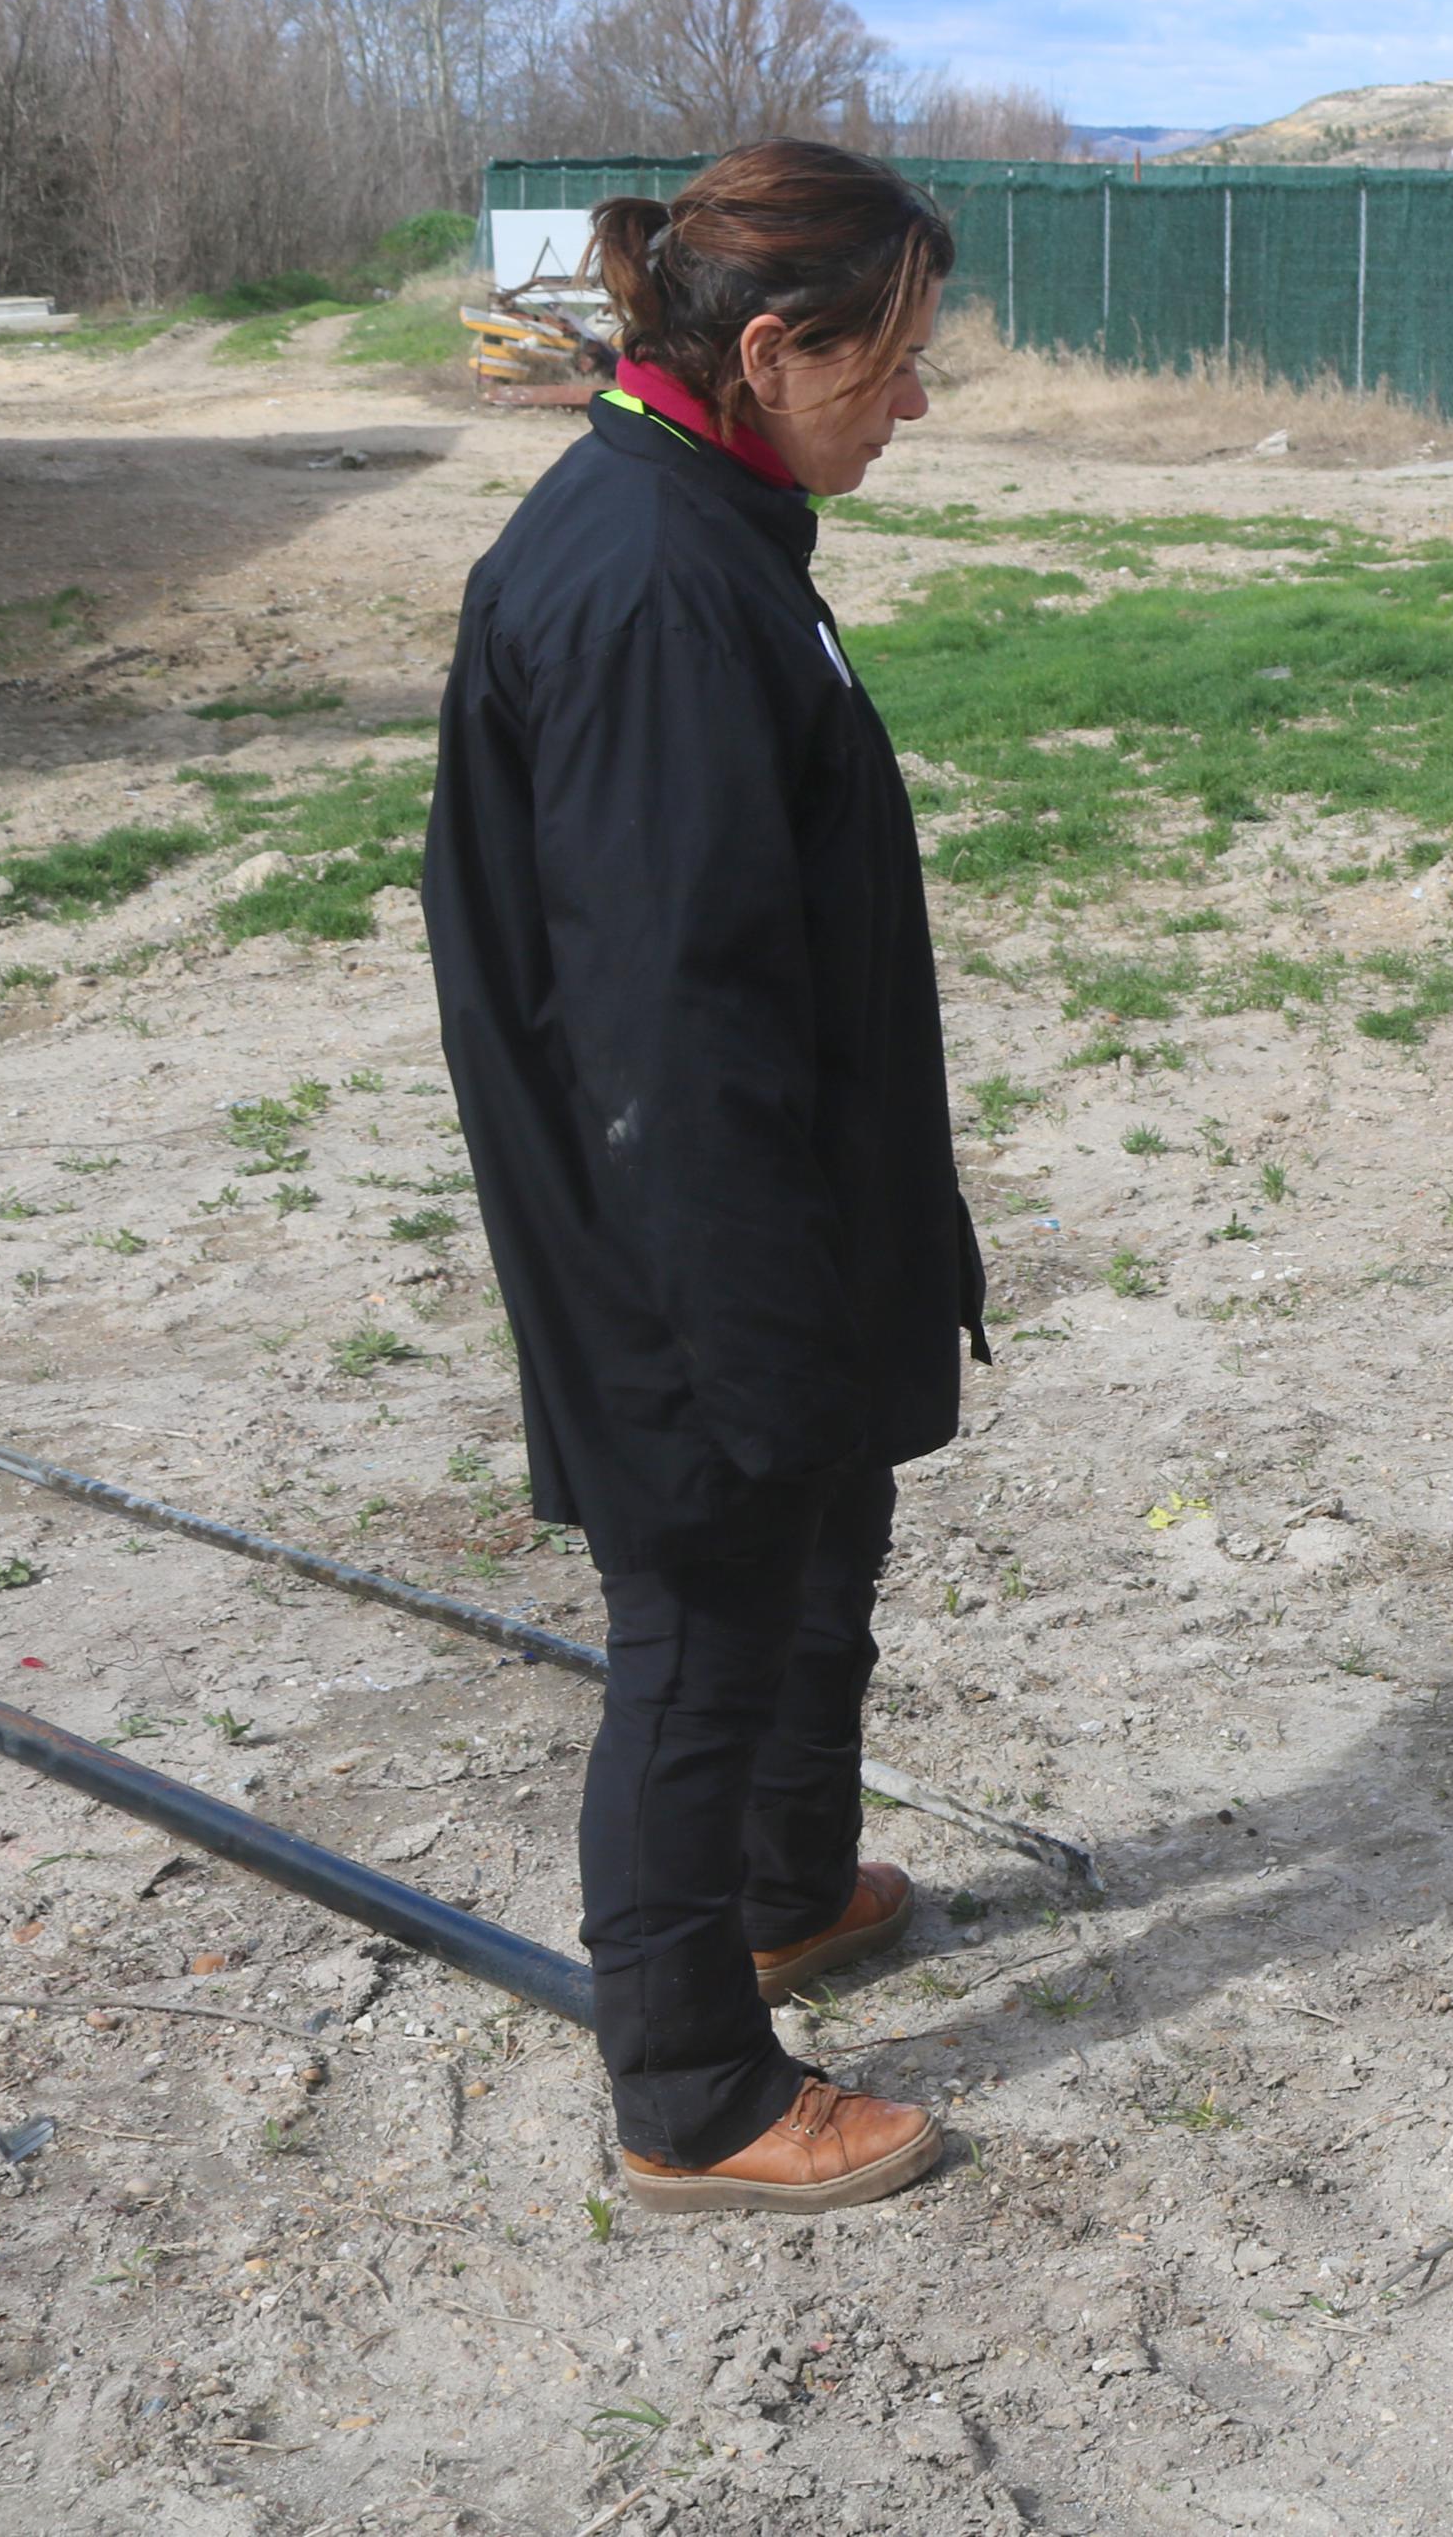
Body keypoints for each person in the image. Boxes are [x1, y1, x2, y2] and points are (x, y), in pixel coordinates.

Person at [425, 140, 982, 2214]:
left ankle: (782, 1885)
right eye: (894, 361)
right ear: (771, 347)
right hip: (681, 1228)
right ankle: (691, 2084)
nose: (912, 402)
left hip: (768, 1203)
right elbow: (670, 1021)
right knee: (706, 1614)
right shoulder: (655, 581)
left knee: (815, 1553)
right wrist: (740, 1329)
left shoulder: (713, 520)